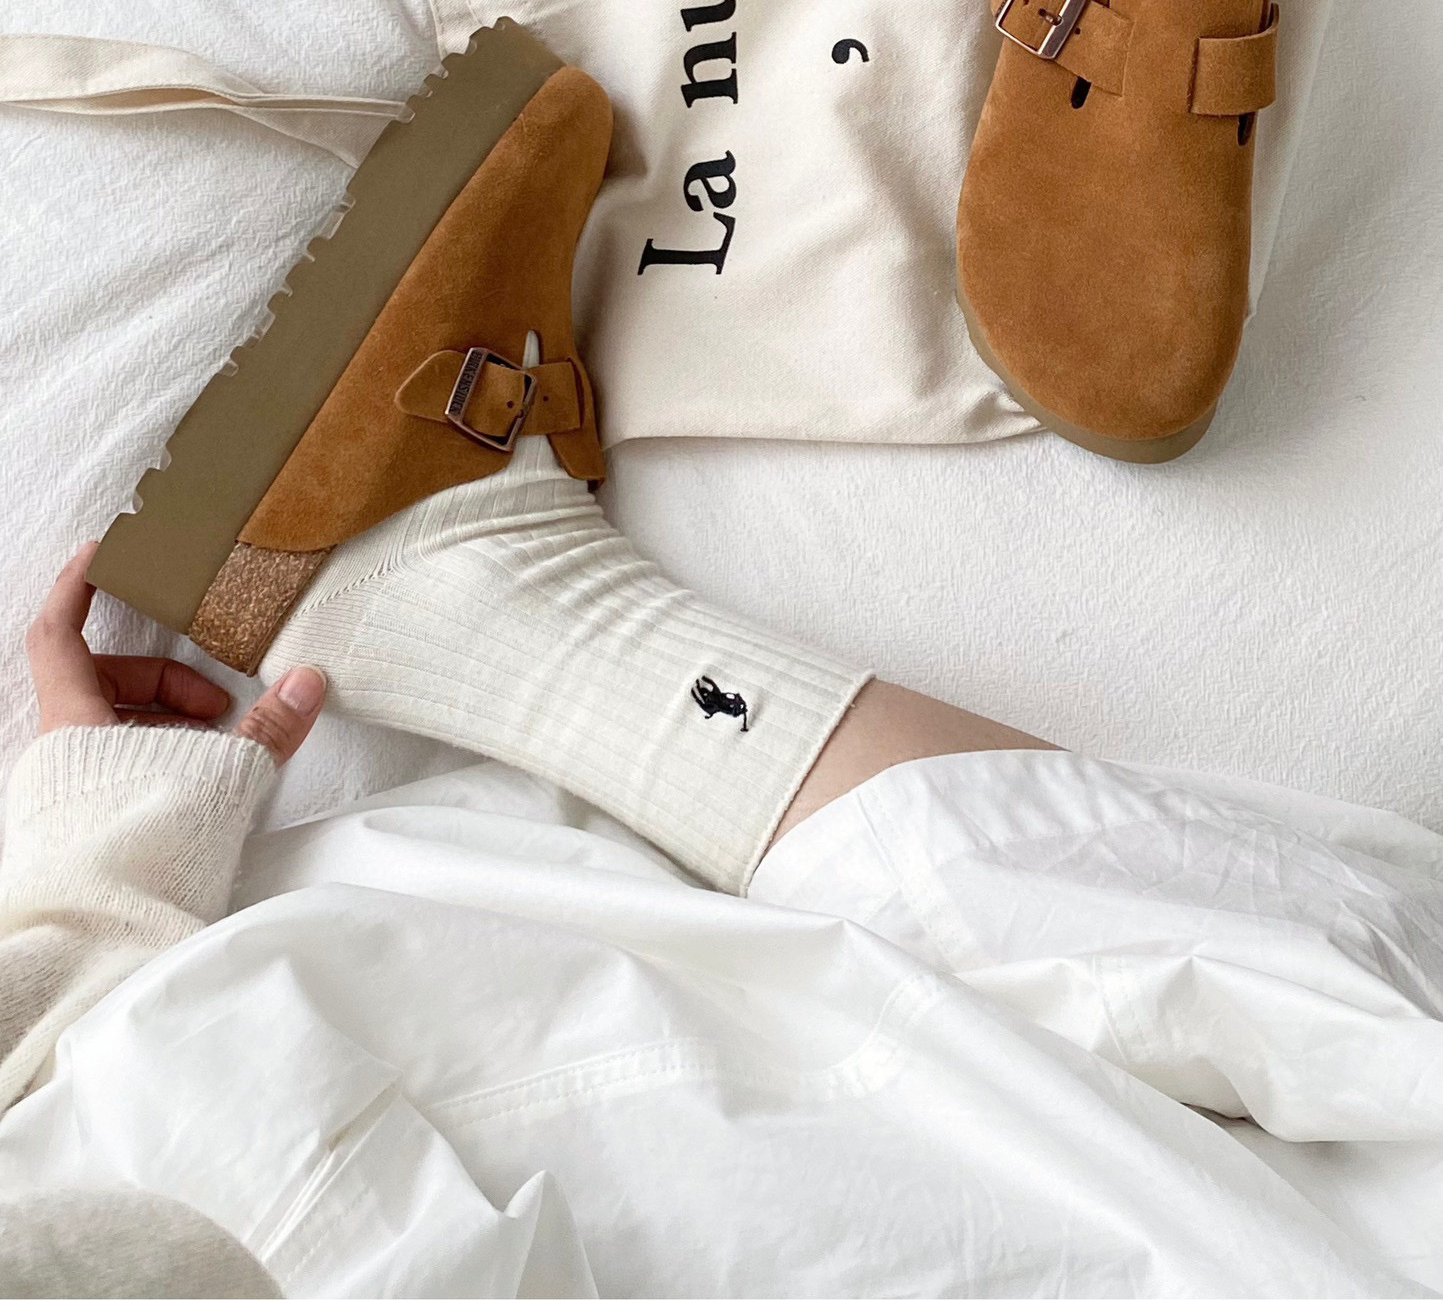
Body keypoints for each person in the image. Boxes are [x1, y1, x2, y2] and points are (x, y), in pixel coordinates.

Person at [1, 432, 1440, 1296]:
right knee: (1341, 1067)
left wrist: (99, 874)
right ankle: (489, 605)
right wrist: (99, 884)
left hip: (241, 1117)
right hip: (340, 1168)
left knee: (1327, 1078)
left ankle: (491, 607)